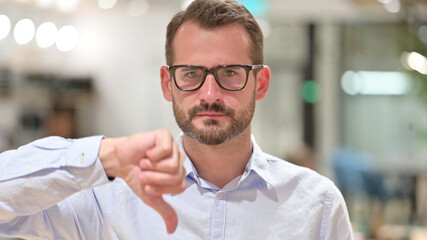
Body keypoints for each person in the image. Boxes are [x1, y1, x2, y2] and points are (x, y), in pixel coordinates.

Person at [0, 0, 354, 239]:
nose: (210, 93)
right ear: (168, 84)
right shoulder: (106, 198)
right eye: (191, 73)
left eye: (230, 72)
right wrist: (104, 156)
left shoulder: (317, 205)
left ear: (260, 84)